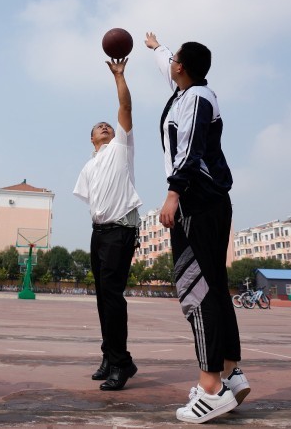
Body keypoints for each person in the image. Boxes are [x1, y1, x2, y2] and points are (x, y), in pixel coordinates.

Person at [144, 32, 247, 424]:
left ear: (182, 68)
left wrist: (173, 194)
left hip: (196, 199)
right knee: (215, 285)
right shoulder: (186, 91)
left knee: (195, 288)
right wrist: (156, 49)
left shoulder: (197, 98)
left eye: (174, 61)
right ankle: (230, 372)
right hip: (207, 200)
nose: (170, 66)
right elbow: (168, 64)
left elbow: (189, 148)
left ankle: (210, 387)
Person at [73, 58, 142, 392]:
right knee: (103, 298)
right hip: (99, 234)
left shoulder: (121, 148)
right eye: (98, 127)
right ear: (91, 139)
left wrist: (119, 76)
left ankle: (121, 363)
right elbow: (93, 205)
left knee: (113, 297)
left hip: (120, 230)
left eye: (108, 125)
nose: (105, 126)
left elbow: (125, 105)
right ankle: (110, 356)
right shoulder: (89, 167)